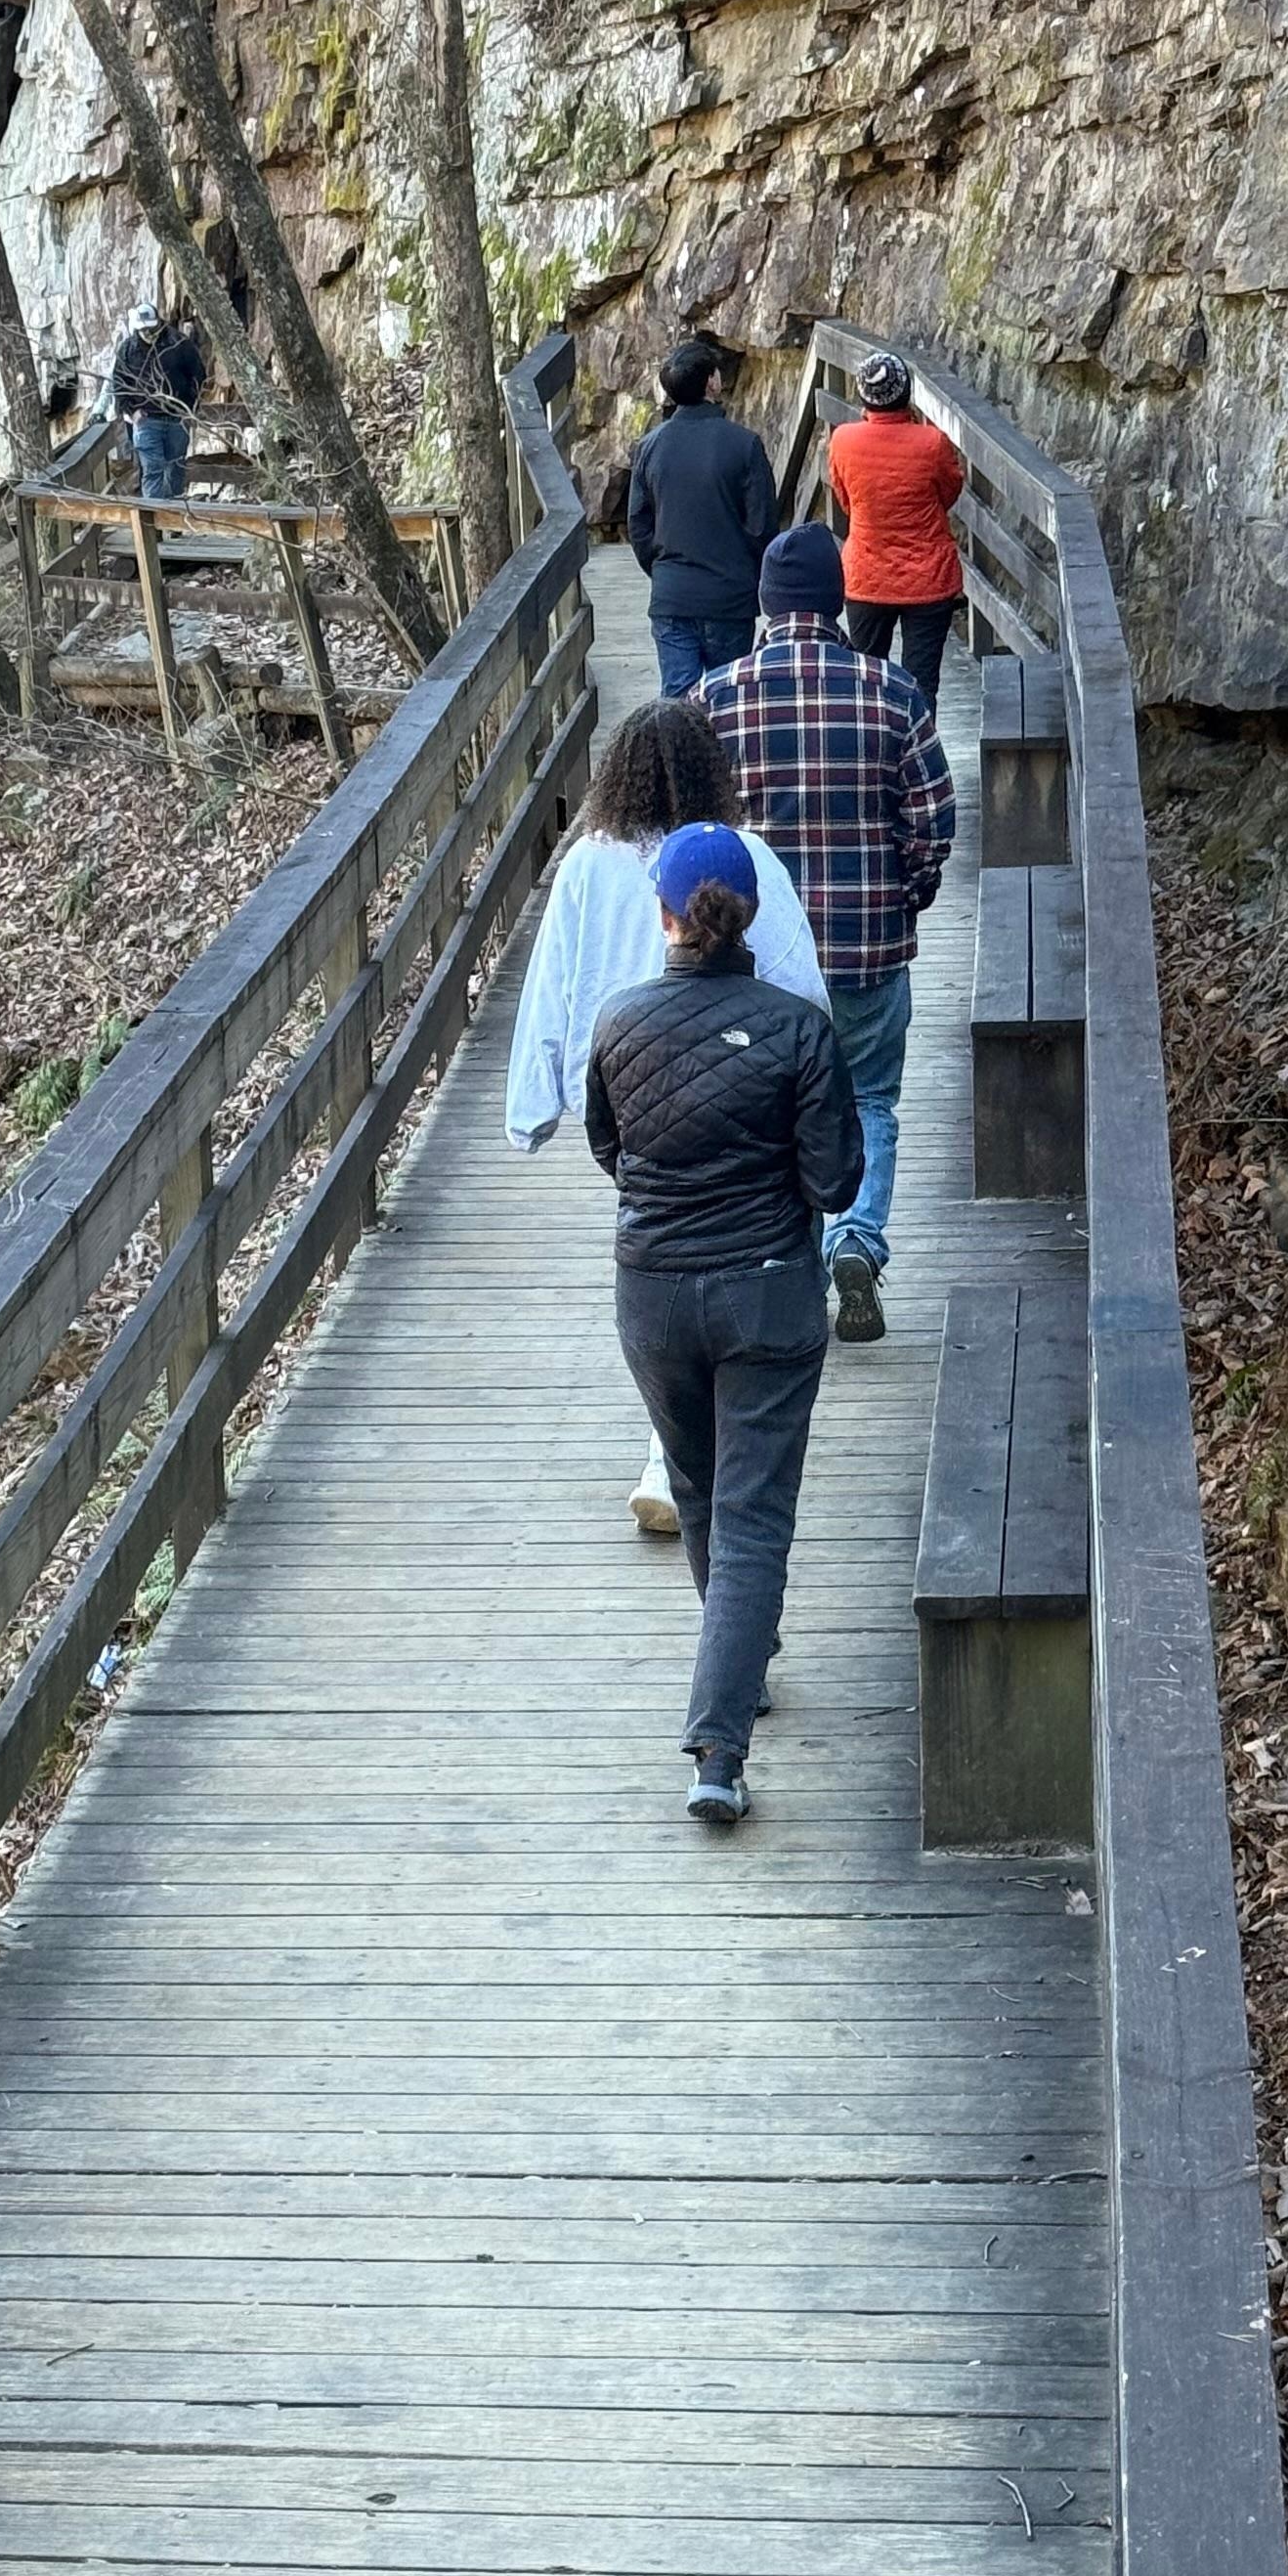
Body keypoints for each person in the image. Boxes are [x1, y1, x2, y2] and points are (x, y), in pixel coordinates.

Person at [585, 822, 863, 1828]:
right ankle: (718, 1746)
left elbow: (608, 1149)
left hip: (652, 1294)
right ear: (751, 913)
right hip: (767, 1292)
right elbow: (836, 1180)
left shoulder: (619, 1024)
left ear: (663, 913)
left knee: (699, 1486)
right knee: (752, 1516)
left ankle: (735, 1668)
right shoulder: (799, 1031)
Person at [505, 698, 828, 1535]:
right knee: (712, 1251)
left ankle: (672, 1447)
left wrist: (533, 1108)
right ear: (711, 772)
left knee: (659, 1248)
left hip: (622, 1092)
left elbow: (549, 988)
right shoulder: (747, 858)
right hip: (737, 1083)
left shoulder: (586, 865)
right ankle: (677, 1450)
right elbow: (799, 983)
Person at [701, 522, 953, 1346]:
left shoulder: (714, 697)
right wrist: (906, 896)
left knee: (772, 1113)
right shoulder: (892, 692)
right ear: (838, 599)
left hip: (755, 963)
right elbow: (933, 820)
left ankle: (794, 1270)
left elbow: (694, 839)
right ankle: (857, 1240)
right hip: (866, 945)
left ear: (769, 608)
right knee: (869, 1097)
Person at [625, 335, 784, 693]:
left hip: (671, 594)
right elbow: (762, 527)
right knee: (728, 703)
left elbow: (638, 525)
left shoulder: (649, 447)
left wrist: (663, 568)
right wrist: (746, 573)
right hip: (729, 596)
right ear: (712, 382)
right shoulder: (744, 444)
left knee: (678, 702)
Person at [828, 347, 967, 705]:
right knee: (922, 685)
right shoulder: (932, 443)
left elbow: (845, 499)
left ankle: (870, 757)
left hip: (867, 576)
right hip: (928, 577)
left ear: (864, 396)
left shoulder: (842, 440)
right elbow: (949, 491)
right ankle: (922, 757)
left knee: (866, 682)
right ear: (906, 393)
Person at [110, 295, 205, 512]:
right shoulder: (128, 350)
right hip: (146, 420)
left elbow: (198, 374)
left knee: (175, 468)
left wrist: (188, 408)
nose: (148, 335)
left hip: (176, 418)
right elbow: (119, 383)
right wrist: (131, 411)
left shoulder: (178, 344)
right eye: (144, 331)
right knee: (152, 469)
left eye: (152, 329)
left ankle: (174, 518)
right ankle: (154, 526)